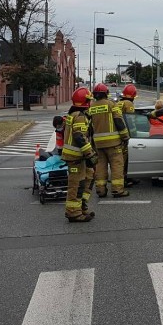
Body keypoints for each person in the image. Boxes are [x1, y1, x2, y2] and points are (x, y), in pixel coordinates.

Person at [61, 87, 98, 222]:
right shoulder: (80, 117)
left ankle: (81, 206)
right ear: (85, 102)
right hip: (75, 157)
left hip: (78, 156)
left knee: (88, 178)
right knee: (76, 184)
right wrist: (90, 154)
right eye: (89, 101)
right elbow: (79, 137)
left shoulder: (74, 114)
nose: (90, 103)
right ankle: (73, 212)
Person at [88, 83, 130, 198]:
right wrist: (125, 137)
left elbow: (89, 127)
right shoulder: (111, 104)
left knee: (100, 167)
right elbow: (119, 122)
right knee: (117, 165)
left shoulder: (91, 107)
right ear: (106, 93)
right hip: (113, 143)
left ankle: (100, 190)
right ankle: (117, 190)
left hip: (98, 144)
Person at [117, 84, 141, 188]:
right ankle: (124, 179)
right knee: (124, 159)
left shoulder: (119, 103)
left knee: (122, 158)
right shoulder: (128, 104)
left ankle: (126, 177)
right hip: (126, 135)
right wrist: (134, 134)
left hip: (118, 134)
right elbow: (130, 120)